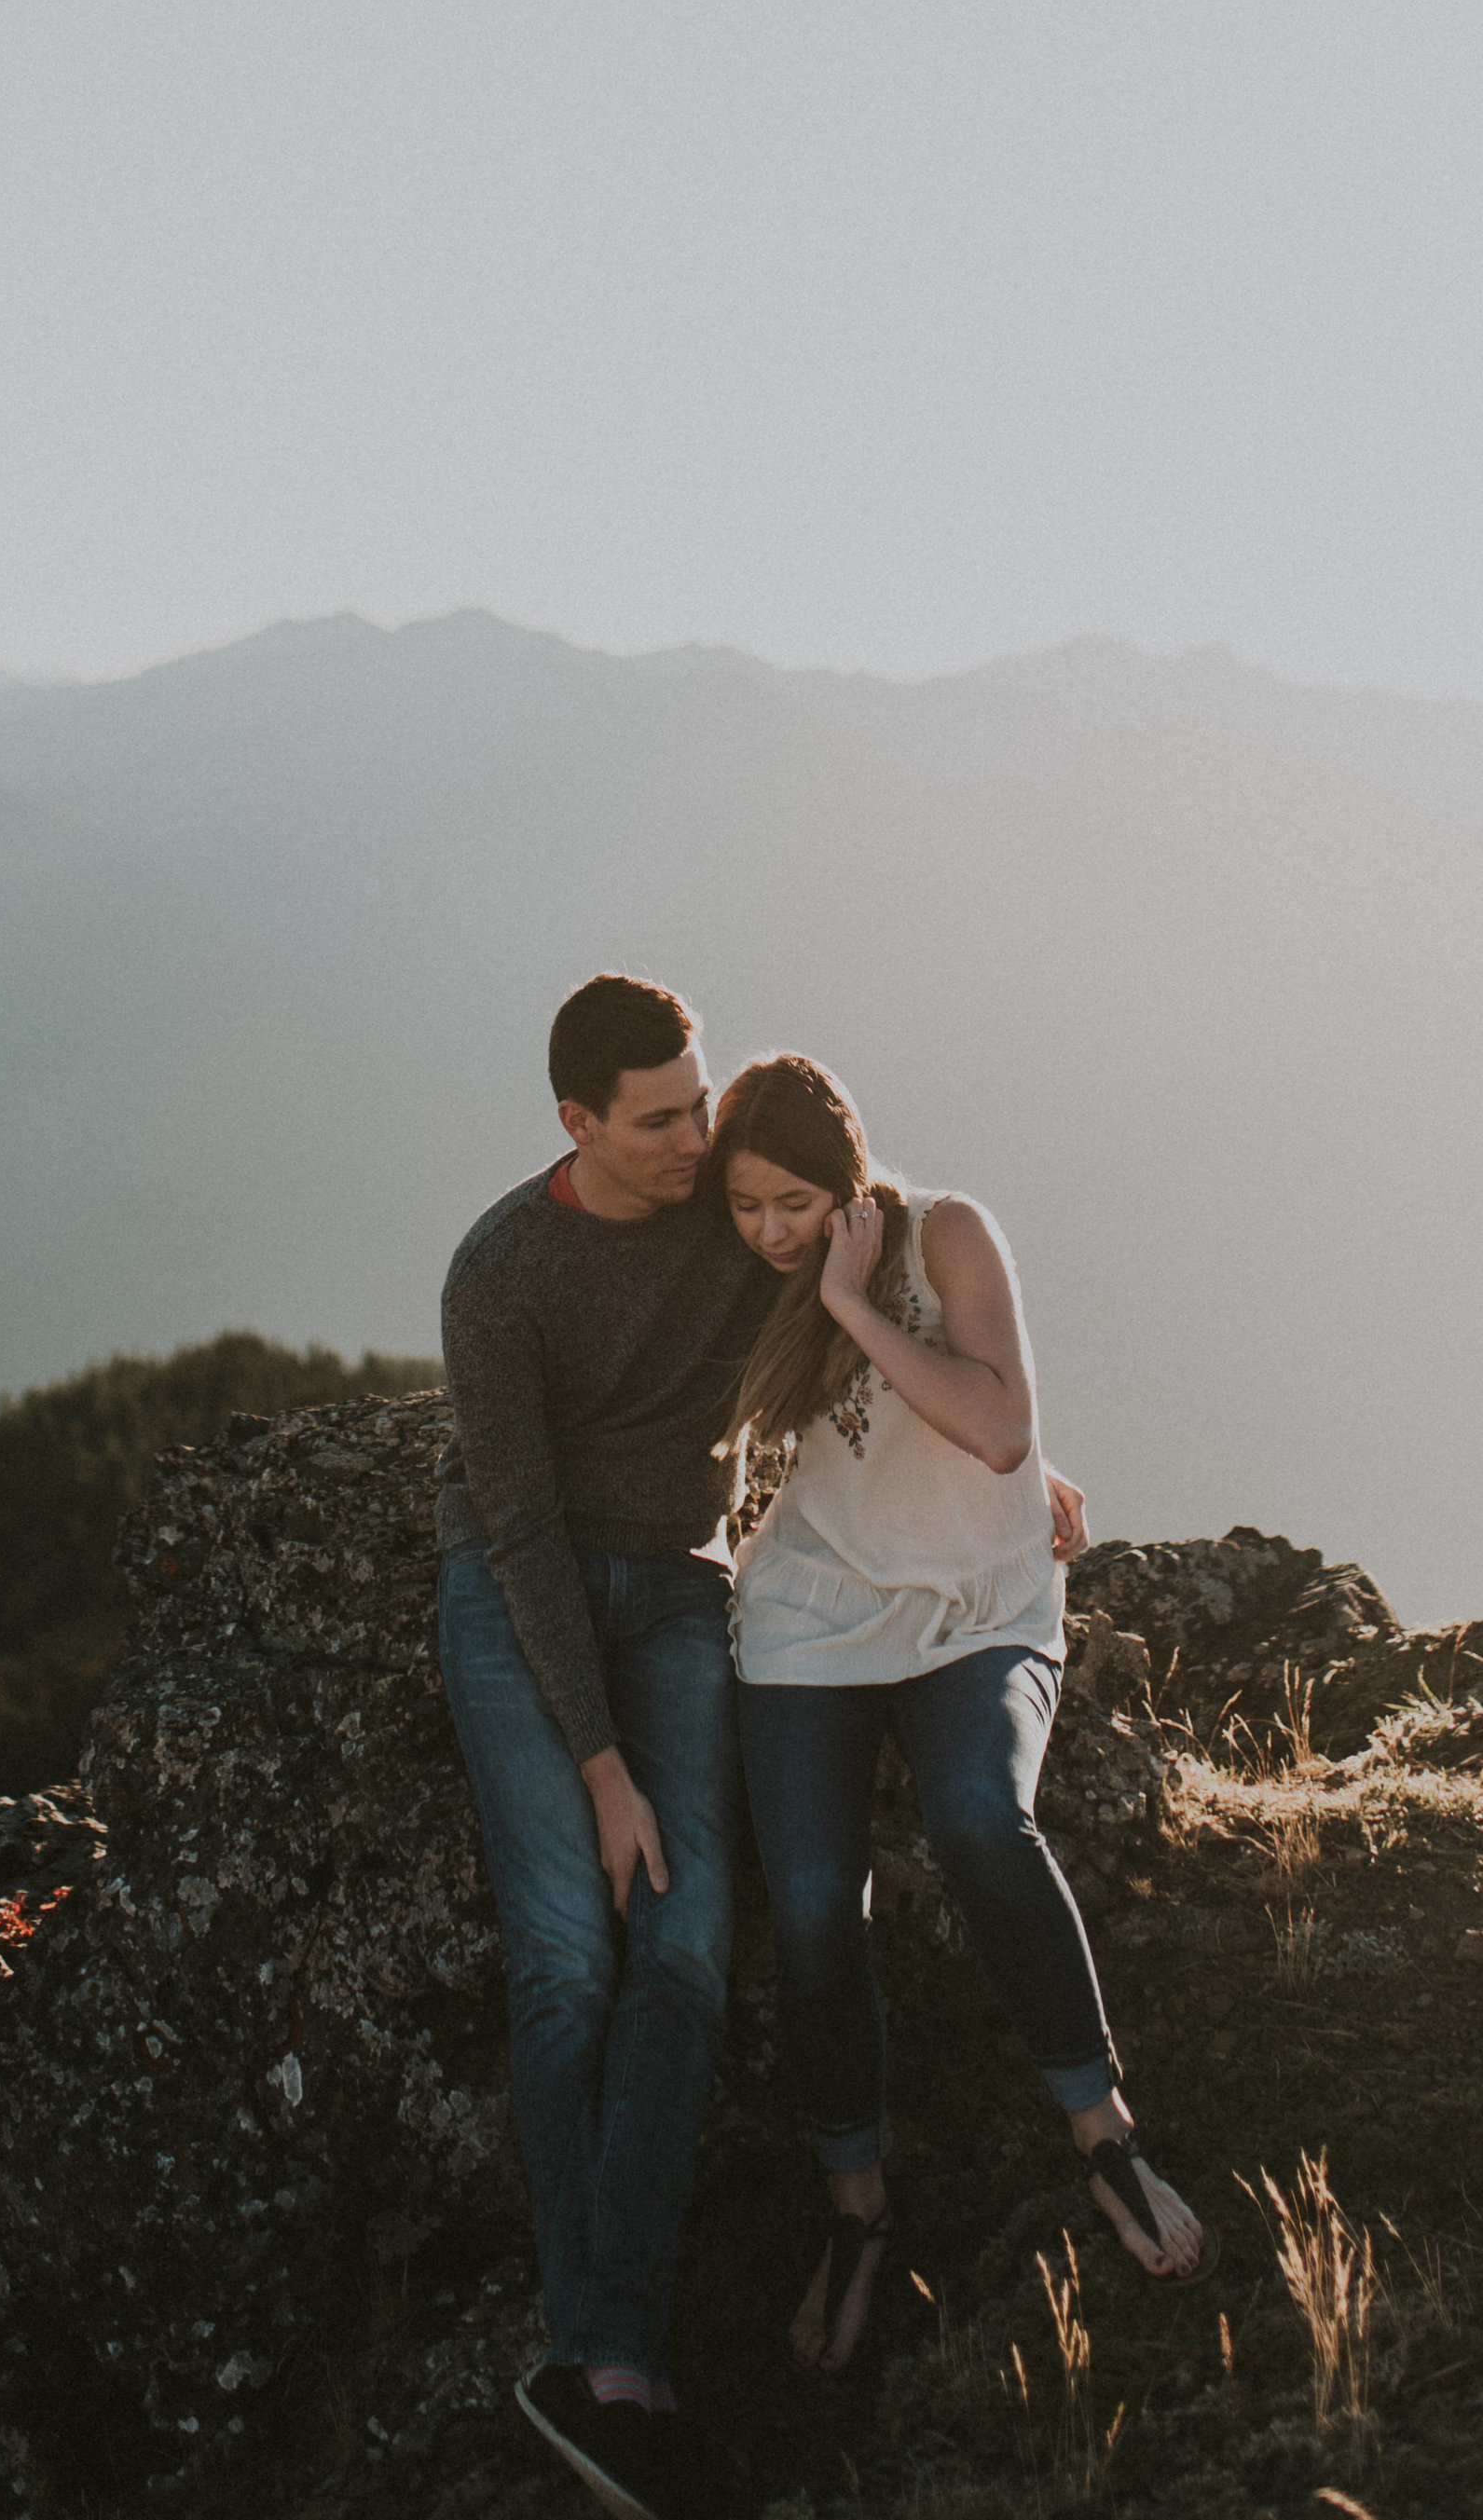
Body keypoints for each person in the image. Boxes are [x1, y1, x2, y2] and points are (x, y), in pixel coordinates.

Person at [437, 980, 1091, 2520]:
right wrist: (600, 1765)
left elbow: (861, 1279)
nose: (696, 1138)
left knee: (683, 1944)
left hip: (679, 1582)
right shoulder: (502, 1267)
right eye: (660, 1116)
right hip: (518, 1588)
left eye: (699, 1100)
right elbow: (519, 1524)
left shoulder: (732, 1215)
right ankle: (616, 2364)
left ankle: (610, 2366)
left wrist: (1034, 1461)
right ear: (576, 1122)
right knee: (564, 1957)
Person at [710, 1052, 1218, 2379]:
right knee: (815, 1900)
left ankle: (1103, 2131)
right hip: (814, 1610)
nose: (770, 1230)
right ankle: (857, 2209)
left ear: (850, 1175)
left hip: (981, 1608)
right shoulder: (747, 1268)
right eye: (748, 1205)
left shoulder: (944, 1235)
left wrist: (848, 1301)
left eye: (795, 1202)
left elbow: (998, 1431)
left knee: (981, 1820)